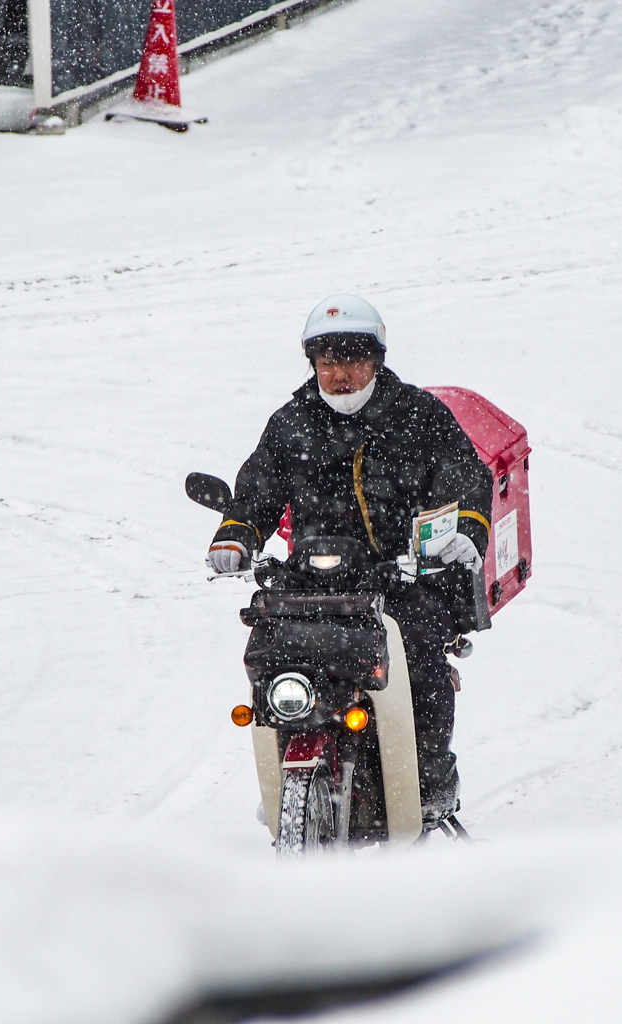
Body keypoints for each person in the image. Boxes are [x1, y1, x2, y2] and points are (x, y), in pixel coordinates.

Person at [206, 294, 493, 823]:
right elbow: (259, 487)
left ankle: (431, 778)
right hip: (314, 580)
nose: (340, 374)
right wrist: (235, 534)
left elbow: (464, 474)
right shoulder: (292, 422)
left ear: (377, 360)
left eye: (353, 359)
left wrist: (464, 533)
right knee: (271, 653)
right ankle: (283, 782)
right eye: (328, 361)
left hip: (403, 575)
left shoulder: (419, 415)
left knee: (420, 657)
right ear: (313, 364)